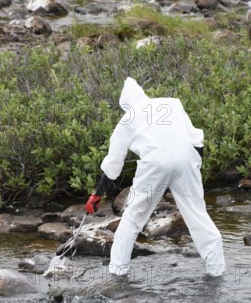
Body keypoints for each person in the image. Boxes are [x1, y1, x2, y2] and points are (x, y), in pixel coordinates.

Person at [85, 77, 226, 277]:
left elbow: (113, 163)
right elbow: (196, 139)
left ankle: (118, 272)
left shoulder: (129, 117)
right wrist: (195, 169)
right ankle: (217, 270)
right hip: (186, 160)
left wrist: (97, 194)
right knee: (198, 215)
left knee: (133, 218)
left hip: (155, 166)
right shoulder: (172, 104)